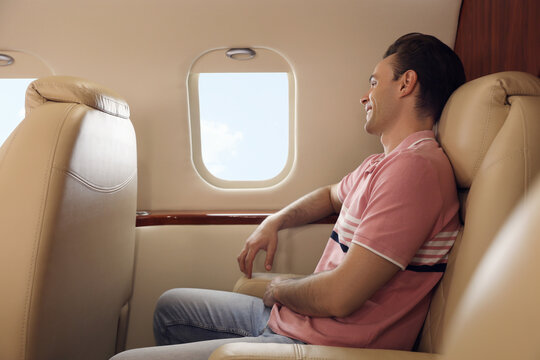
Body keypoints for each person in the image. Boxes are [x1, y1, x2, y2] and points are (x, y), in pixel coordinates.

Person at [111, 33, 466, 360]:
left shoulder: (415, 171)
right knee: (170, 307)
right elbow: (329, 196)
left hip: (325, 343)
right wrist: (275, 221)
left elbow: (338, 297)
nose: (365, 95)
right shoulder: (383, 164)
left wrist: (279, 290)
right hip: (299, 322)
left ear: (406, 83)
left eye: (374, 82)